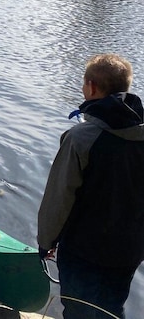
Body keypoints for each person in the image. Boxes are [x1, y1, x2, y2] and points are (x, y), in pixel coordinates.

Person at [37, 53, 144, 319]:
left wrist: (46, 241)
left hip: (84, 251)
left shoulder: (81, 138)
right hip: (128, 251)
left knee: (77, 310)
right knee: (111, 310)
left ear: (92, 87)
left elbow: (59, 197)